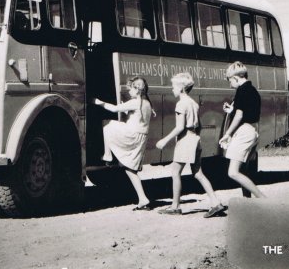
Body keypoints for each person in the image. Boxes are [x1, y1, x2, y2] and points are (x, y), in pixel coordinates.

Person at [155, 73, 226, 217]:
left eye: (173, 86)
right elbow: (198, 125)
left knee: (175, 172)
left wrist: (164, 140)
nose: (172, 89)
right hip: (195, 139)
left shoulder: (181, 104)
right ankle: (215, 202)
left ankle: (175, 206)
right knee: (198, 173)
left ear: (181, 88)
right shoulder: (193, 103)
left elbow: (180, 127)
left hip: (186, 140)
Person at [93, 77, 153, 210]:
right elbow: (138, 117)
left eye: (131, 89)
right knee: (130, 168)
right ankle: (143, 199)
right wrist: (127, 111)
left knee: (107, 124)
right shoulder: (147, 103)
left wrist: (98, 102)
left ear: (137, 90)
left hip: (132, 134)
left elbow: (114, 109)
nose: (129, 91)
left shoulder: (135, 102)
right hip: (141, 137)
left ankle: (107, 155)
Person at [218, 61, 266, 198]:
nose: (230, 84)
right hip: (252, 130)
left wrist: (227, 134)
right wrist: (232, 109)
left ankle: (262, 199)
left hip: (244, 132)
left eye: (229, 81)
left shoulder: (241, 90)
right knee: (243, 169)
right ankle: (248, 201)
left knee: (233, 172)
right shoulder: (252, 90)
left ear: (235, 78)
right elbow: (248, 112)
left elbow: (240, 116)